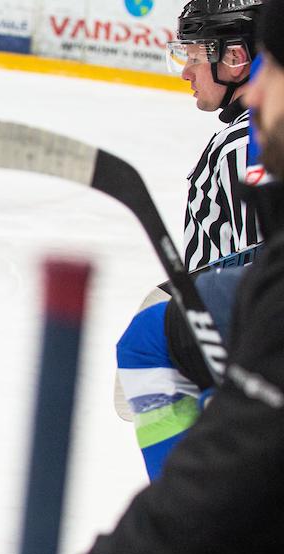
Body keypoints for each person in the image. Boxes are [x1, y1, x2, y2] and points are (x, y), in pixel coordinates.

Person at [0, 6, 284, 554]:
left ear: (243, 59)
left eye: (271, 68)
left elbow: (240, 478)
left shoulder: (241, 157)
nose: (184, 66)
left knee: (152, 347)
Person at [117, 0, 264, 479]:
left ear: (236, 58)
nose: (186, 72)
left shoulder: (241, 147)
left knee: (141, 345)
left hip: (241, 368)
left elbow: (250, 282)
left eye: (195, 54)